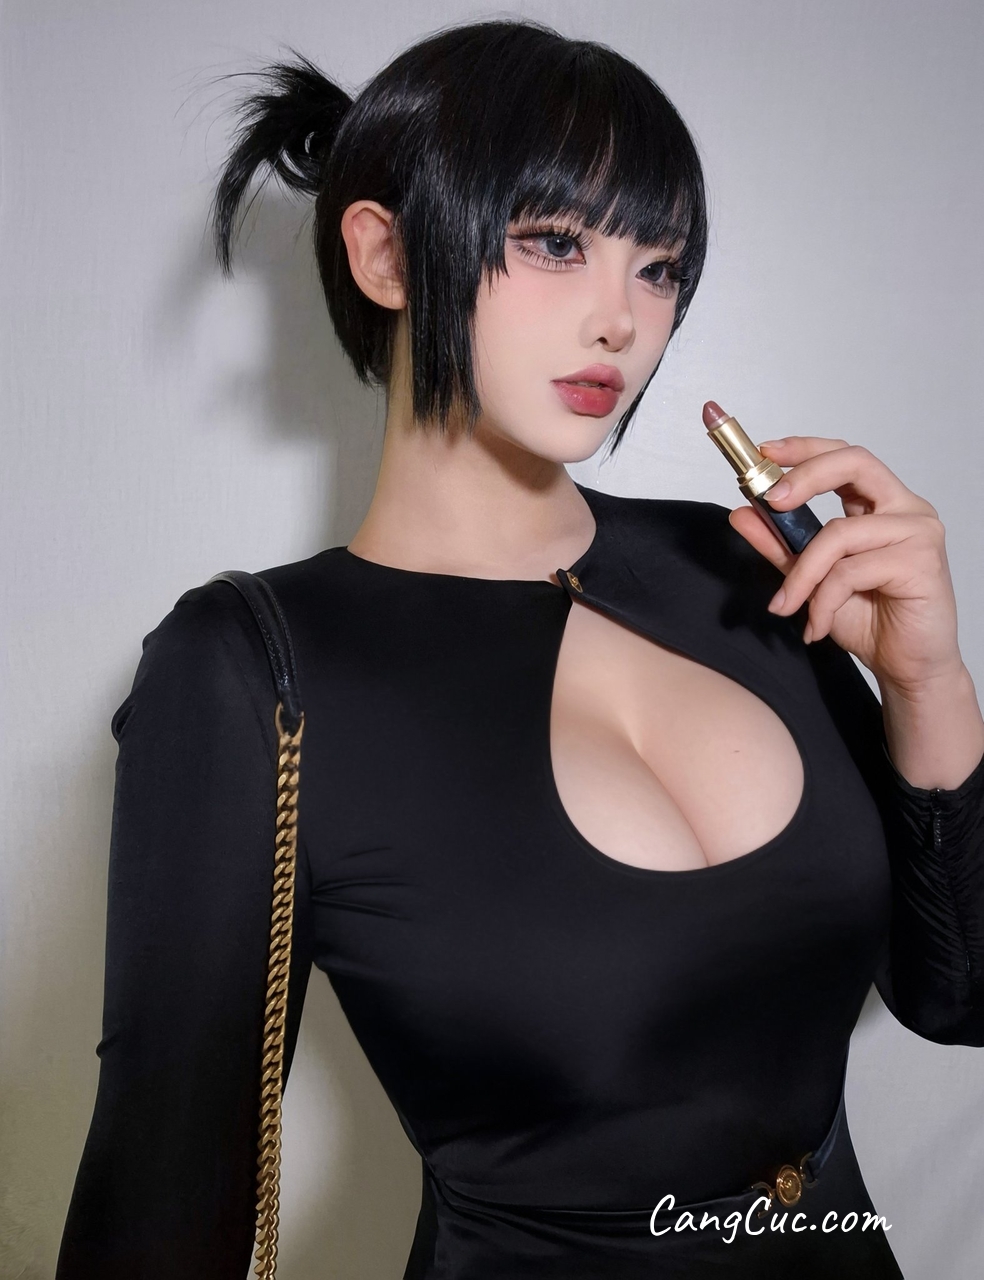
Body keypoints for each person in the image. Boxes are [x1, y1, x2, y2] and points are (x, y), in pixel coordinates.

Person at [55, 17, 984, 1279]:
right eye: (554, 243)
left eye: (660, 267)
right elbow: (162, 1204)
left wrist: (927, 681)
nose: (621, 319)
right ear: (385, 253)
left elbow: (959, 997)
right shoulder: (254, 670)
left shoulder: (740, 561)